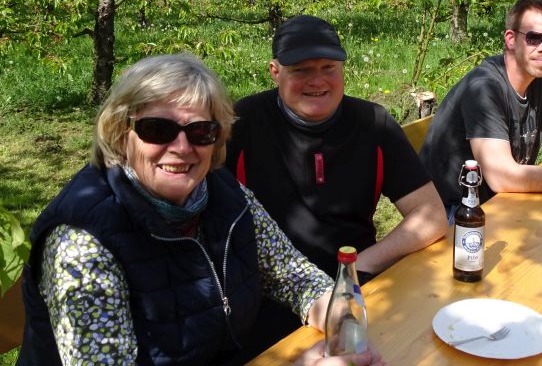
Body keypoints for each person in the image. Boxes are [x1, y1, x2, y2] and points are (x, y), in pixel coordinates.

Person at [17, 54, 384, 366]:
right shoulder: (82, 244)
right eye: (157, 129)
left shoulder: (225, 194)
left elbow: (294, 276)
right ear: (120, 133)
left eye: (200, 132)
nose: (181, 147)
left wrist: (344, 325)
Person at [225, 15, 447, 357]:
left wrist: (356, 269)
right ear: (275, 71)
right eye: (301, 70)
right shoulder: (244, 123)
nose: (317, 81)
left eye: (328, 67)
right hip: (269, 297)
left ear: (343, 68)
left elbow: (431, 215)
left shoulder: (373, 123)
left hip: (361, 288)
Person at [420, 0, 542, 220]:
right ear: (511, 39)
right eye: (534, 38)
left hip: (500, 203)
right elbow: (502, 176)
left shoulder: (539, 81)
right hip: (452, 212)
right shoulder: (484, 89)